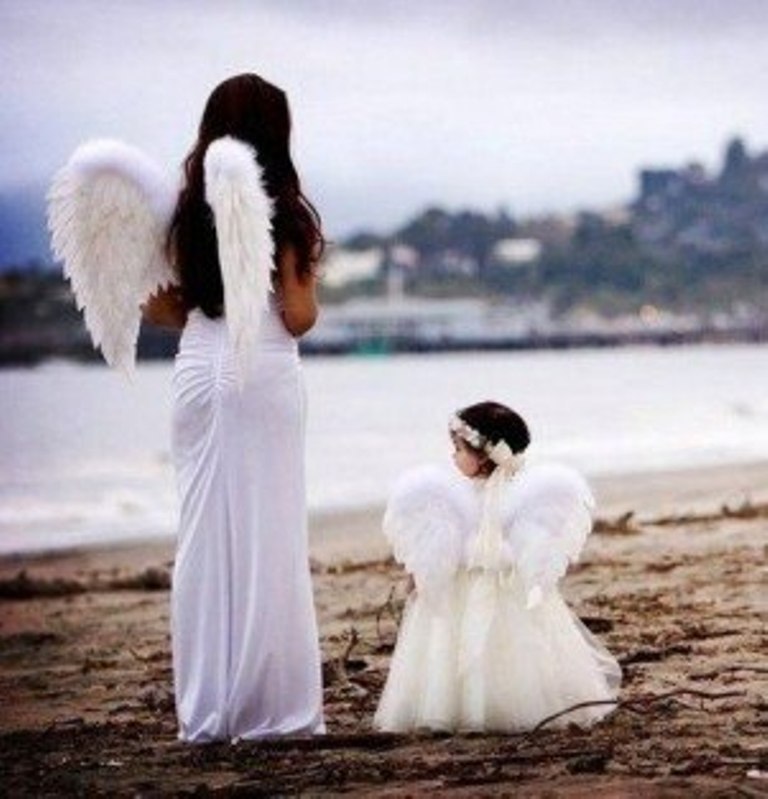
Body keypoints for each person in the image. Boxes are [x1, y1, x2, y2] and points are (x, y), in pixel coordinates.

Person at [143, 73, 325, 742]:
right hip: (263, 367)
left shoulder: (183, 215)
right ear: (277, 134)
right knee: (267, 534)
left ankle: (206, 708)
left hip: (197, 366)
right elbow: (298, 316)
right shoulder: (285, 212)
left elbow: (159, 308)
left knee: (201, 534)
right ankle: (269, 708)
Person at [373, 401, 621, 733]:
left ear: (483, 455)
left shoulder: (517, 497)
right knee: (455, 645)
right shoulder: (456, 495)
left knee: (505, 646)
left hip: (506, 589)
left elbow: (530, 548)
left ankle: (504, 706)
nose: (453, 456)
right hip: (464, 589)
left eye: (459, 449)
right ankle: (463, 708)